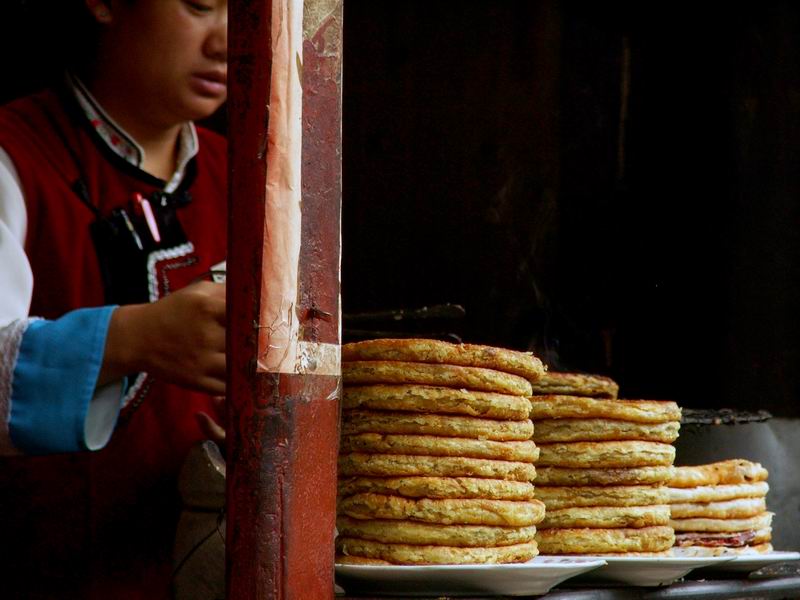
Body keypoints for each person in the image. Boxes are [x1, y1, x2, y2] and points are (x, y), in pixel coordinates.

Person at [0, 1, 229, 597]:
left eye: (251, 13)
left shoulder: (258, 176)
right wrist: (133, 339)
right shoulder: (15, 154)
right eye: (200, 4)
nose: (228, 41)